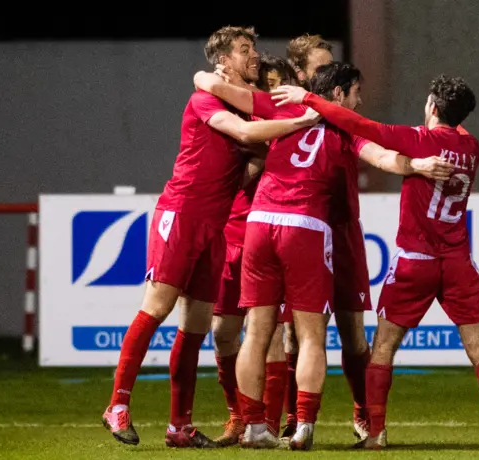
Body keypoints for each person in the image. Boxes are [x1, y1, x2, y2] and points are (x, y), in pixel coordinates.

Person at [100, 25, 319, 449]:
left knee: (197, 324)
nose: (252, 56)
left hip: (214, 228)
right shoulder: (205, 98)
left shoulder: (249, 108)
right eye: (243, 50)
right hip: (181, 215)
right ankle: (117, 403)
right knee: (157, 307)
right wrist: (305, 120)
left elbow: (256, 139)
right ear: (222, 63)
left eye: (253, 48)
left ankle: (179, 426)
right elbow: (244, 136)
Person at [271, 75, 479, 450]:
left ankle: (376, 434)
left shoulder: (423, 140)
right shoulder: (473, 147)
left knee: (383, 347)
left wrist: (307, 97)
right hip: (456, 262)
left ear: (433, 107)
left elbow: (364, 126)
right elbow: (457, 131)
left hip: (414, 262)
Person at [212, 53, 300, 447]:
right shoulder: (235, 118)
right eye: (265, 84)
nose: (270, 91)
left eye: (277, 85)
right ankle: (240, 416)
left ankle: (265, 422)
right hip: (231, 233)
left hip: (267, 233)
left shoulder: (287, 125)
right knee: (222, 332)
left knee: (272, 332)